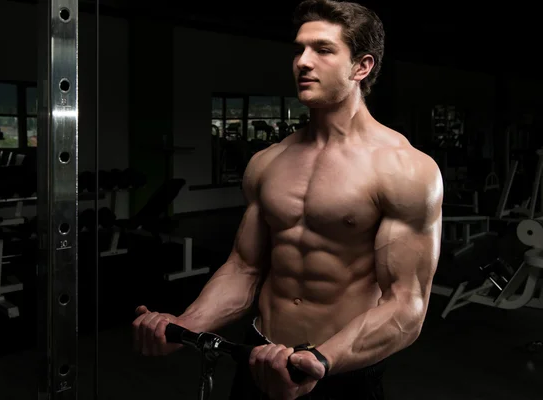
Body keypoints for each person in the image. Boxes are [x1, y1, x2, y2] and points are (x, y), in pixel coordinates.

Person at [132, 1, 444, 399]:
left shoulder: (404, 169)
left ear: (361, 67)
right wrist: (186, 325)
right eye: (299, 49)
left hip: (339, 370)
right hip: (259, 355)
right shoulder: (269, 162)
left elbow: (406, 306)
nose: (302, 62)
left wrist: (318, 362)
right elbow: (243, 269)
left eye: (323, 50)